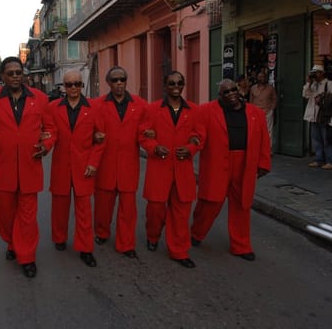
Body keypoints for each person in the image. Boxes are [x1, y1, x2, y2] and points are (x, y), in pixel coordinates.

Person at [0, 56, 56, 278]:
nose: (14, 76)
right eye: (10, 73)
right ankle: (12, 243)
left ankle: (27, 257)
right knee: (6, 216)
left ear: (24, 74)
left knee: (28, 217)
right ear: (2, 76)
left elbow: (50, 128)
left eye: (18, 72)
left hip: (31, 166)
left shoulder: (40, 99)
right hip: (3, 170)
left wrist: (46, 144)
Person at [190, 78, 271, 262]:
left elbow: (264, 140)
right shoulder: (206, 111)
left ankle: (241, 246)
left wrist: (264, 163)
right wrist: (192, 145)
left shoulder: (255, 113)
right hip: (216, 163)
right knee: (210, 203)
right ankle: (197, 232)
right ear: (220, 95)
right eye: (226, 92)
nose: (231, 94)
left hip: (244, 164)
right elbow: (198, 134)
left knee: (242, 205)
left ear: (239, 89)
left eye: (233, 89)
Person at [140, 71, 200, 268]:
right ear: (165, 86)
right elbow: (143, 136)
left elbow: (199, 136)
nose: (176, 86)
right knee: (156, 210)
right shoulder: (152, 109)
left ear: (184, 85)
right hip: (159, 167)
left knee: (181, 212)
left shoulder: (193, 110)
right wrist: (154, 147)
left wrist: (191, 148)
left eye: (180, 83)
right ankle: (153, 235)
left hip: (183, 169)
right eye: (172, 83)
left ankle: (179, 250)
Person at [48, 70, 105, 267]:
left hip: (84, 167)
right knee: (59, 208)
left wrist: (93, 163)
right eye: (69, 84)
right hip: (61, 166)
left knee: (84, 212)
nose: (74, 88)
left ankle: (86, 248)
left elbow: (101, 139)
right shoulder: (53, 108)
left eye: (77, 84)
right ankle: (59, 238)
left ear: (82, 86)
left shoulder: (93, 108)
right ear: (63, 87)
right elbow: (47, 132)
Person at [93, 66, 148, 259]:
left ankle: (126, 244)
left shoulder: (140, 105)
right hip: (105, 164)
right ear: (108, 83)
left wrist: (152, 142)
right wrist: (94, 137)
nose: (119, 83)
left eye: (122, 79)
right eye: (115, 80)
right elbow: (88, 130)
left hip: (128, 165)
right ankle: (101, 232)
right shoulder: (97, 105)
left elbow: (146, 131)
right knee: (103, 206)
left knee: (128, 209)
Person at [302, 64, 332, 170]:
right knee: (316, 139)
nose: (315, 75)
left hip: (325, 116)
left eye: (317, 72)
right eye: (313, 73)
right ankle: (319, 159)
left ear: (322, 73)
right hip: (314, 116)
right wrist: (308, 83)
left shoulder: (330, 84)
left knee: (327, 139)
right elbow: (305, 95)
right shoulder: (313, 85)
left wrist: (324, 97)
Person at [250, 70, 277, 144]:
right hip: (256, 112)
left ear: (266, 78)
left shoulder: (270, 88)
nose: (261, 78)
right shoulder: (253, 88)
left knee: (268, 131)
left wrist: (272, 109)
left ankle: (268, 149)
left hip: (267, 111)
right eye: (260, 77)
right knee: (256, 130)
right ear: (257, 78)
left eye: (263, 77)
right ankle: (257, 148)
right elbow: (251, 101)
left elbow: (274, 99)